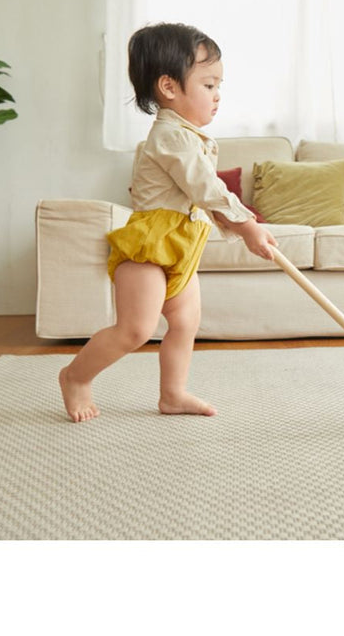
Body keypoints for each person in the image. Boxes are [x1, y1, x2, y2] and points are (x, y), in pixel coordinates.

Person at [59, 23, 278, 423]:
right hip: (149, 250)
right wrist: (246, 225)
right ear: (169, 87)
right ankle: (75, 377)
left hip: (181, 248)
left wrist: (237, 227)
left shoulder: (191, 137)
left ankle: (173, 393)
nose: (218, 95)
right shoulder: (170, 136)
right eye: (209, 84)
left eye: (219, 85)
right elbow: (206, 187)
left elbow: (199, 199)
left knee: (185, 323)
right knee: (135, 331)